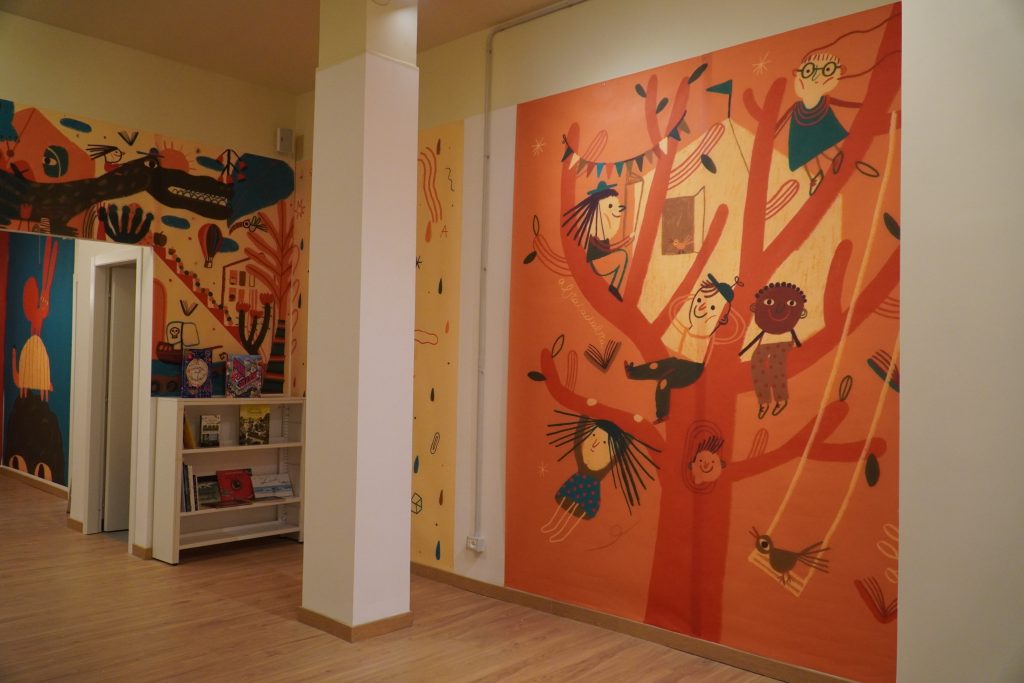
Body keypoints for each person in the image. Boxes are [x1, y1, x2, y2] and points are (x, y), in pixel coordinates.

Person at [624, 273, 735, 423]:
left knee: (664, 380)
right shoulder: (691, 326)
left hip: (693, 369)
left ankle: (662, 413)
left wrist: (721, 318)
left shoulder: (709, 329)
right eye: (699, 300)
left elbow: (716, 324)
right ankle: (633, 372)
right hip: (681, 362)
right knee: (660, 365)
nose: (701, 306)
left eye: (712, 307)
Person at [561, 181, 632, 300]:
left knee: (622, 256)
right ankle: (614, 287)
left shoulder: (604, 233)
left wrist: (625, 241)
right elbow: (606, 249)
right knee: (622, 256)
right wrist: (624, 242)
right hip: (597, 262)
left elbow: (608, 249)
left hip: (603, 260)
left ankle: (614, 287)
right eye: (610, 206)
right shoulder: (595, 235)